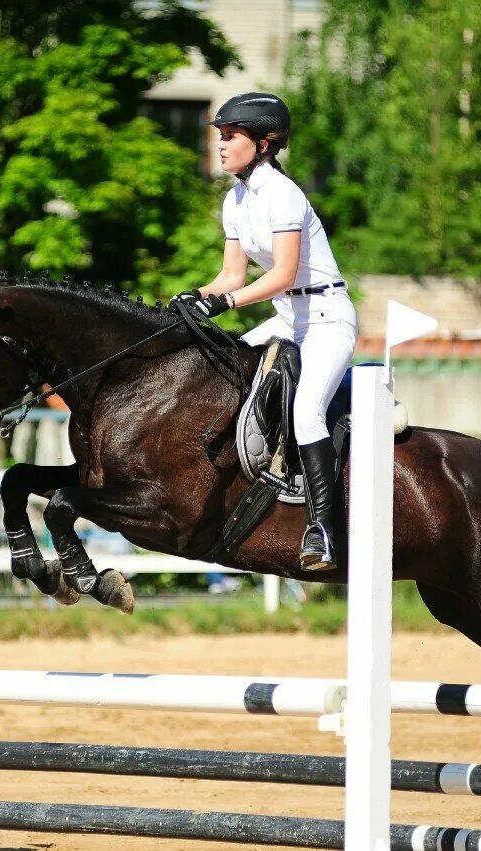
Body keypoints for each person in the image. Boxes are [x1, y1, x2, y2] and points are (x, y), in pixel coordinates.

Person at [172, 92, 357, 572]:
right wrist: (193, 297)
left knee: (307, 413)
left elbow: (282, 274)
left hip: (326, 317)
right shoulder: (234, 200)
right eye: (220, 136)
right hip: (288, 319)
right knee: (221, 374)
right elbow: (231, 275)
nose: (221, 144)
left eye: (230, 135)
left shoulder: (283, 193)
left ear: (264, 142)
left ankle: (322, 529)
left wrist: (227, 303)